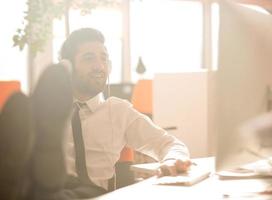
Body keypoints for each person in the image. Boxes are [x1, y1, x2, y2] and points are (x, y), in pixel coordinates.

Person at [59, 27, 191, 198]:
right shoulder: (45, 112)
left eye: (103, 58)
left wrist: (172, 160)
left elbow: (170, 144)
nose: (99, 66)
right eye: (88, 58)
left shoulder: (118, 111)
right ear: (66, 67)